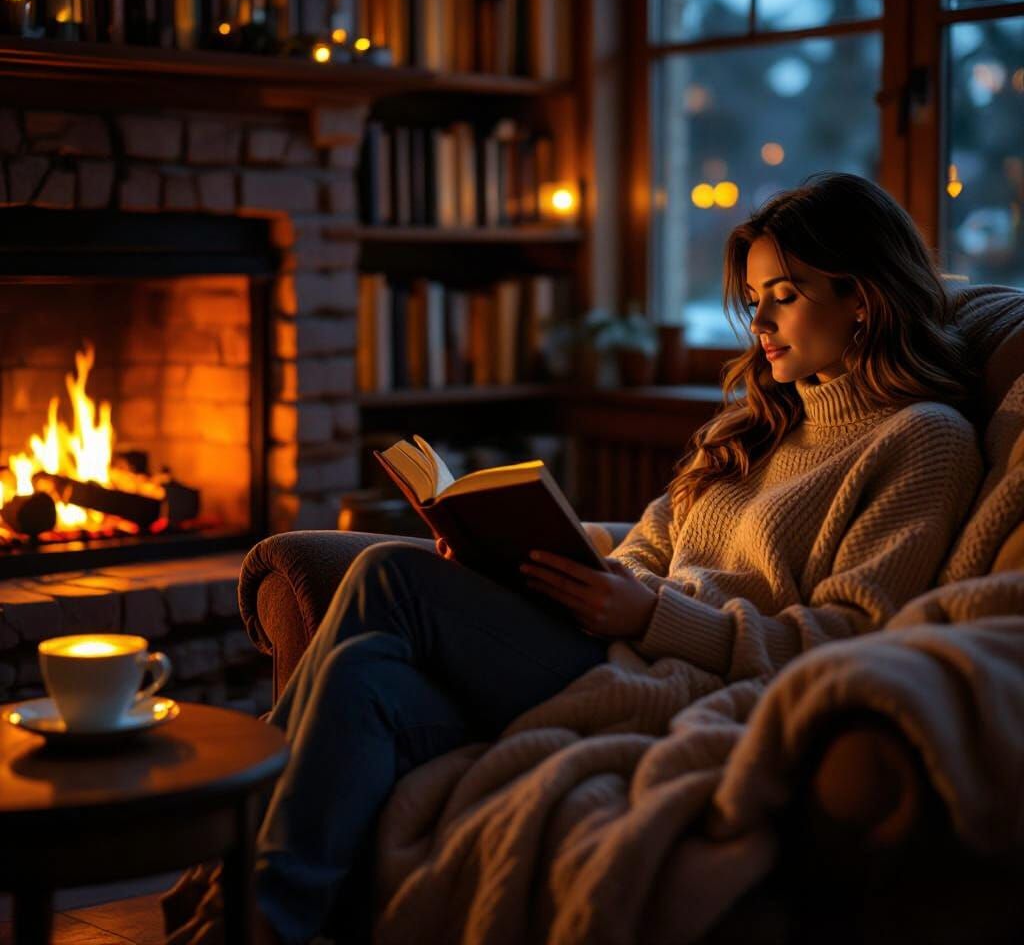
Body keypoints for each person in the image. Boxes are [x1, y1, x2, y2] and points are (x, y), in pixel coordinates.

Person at [164, 172, 982, 945]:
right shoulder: (758, 426)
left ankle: (225, 885)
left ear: (863, 300)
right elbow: (648, 547)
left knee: (387, 575)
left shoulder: (922, 442)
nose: (759, 323)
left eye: (785, 296)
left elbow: (848, 638)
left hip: (679, 673)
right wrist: (509, 562)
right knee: (362, 676)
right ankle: (255, 923)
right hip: (611, 635)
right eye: (755, 299)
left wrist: (654, 615)